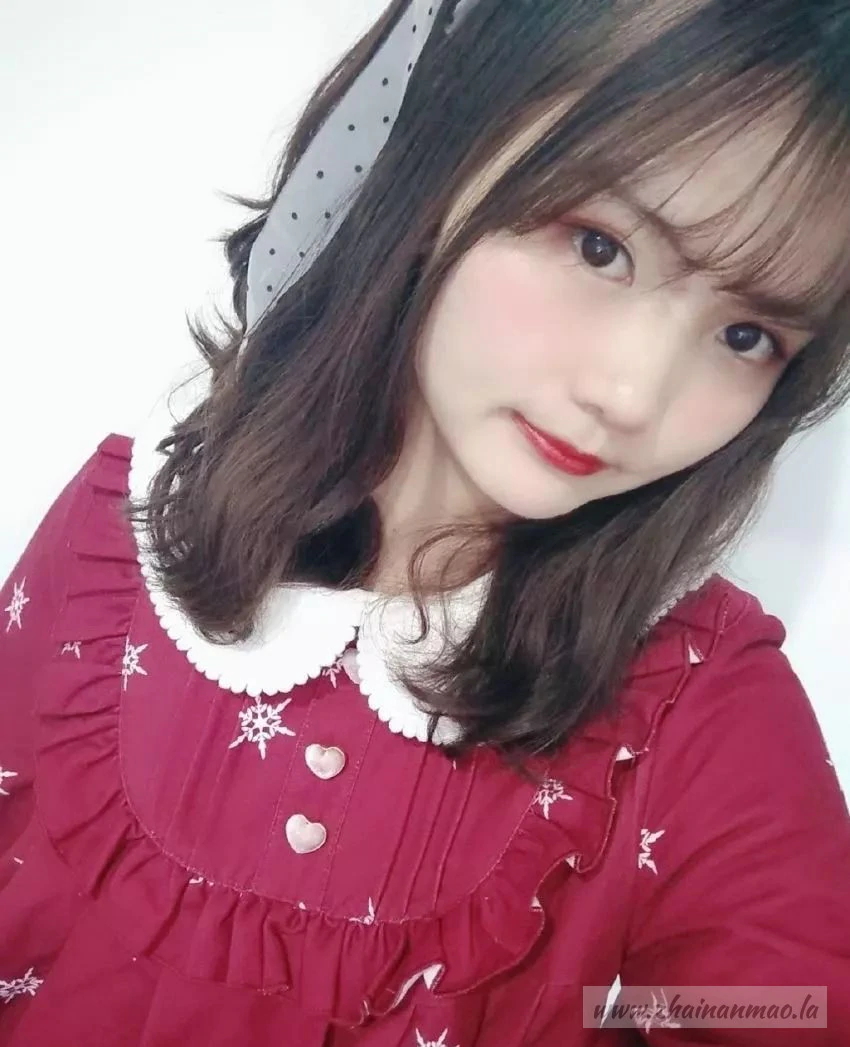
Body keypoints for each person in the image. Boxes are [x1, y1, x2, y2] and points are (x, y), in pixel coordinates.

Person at [2, 0, 850, 1043]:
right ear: (441, 156)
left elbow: (795, 1004)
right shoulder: (119, 536)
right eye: (599, 247)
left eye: (746, 335)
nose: (633, 394)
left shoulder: (695, 705)